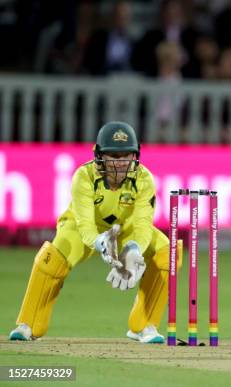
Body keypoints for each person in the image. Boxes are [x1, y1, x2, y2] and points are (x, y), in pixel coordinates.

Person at [9, 122, 182, 344]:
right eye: (113, 156)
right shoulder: (84, 176)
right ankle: (28, 325)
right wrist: (100, 242)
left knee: (167, 251)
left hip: (126, 229)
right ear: (100, 155)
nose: (120, 163)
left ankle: (144, 326)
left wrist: (133, 249)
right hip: (83, 229)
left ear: (135, 155)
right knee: (52, 258)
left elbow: (142, 223)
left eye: (126, 156)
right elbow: (85, 225)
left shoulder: (144, 178)